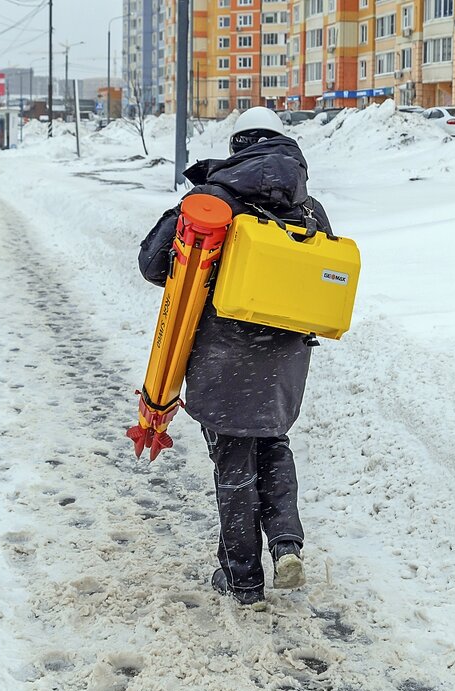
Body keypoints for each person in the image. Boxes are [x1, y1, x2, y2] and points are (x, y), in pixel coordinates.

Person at [137, 107, 334, 609]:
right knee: (272, 443)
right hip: (285, 357)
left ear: (237, 148)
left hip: (223, 354)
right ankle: (286, 542)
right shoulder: (309, 208)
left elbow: (154, 263)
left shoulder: (213, 199)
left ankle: (242, 576)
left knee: (233, 459)